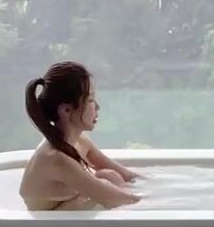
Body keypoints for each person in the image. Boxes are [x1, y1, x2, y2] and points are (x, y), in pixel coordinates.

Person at [20, 61, 141, 210]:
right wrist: (157, 204)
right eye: (90, 100)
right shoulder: (56, 159)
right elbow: (111, 195)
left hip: (62, 210)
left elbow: (128, 176)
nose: (97, 107)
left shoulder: (79, 141)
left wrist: (158, 185)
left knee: (109, 175)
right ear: (66, 110)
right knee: (105, 192)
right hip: (44, 222)